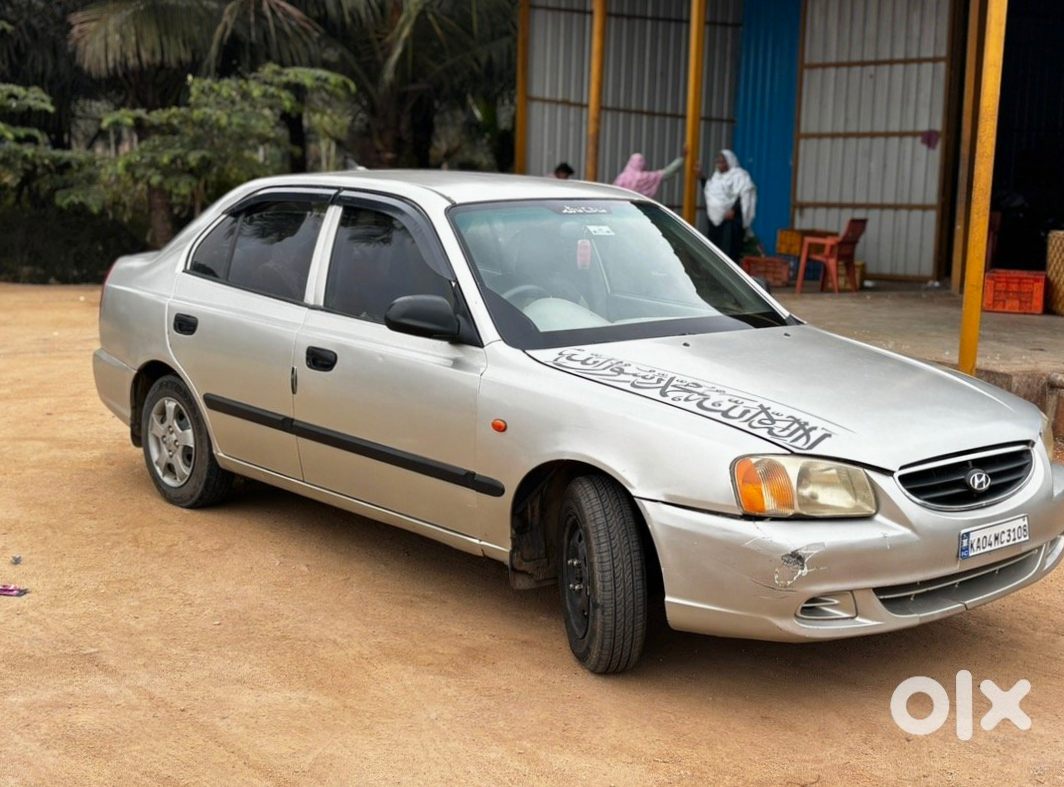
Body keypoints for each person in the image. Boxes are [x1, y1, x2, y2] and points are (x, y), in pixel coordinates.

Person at [703, 149, 756, 262]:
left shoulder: (739, 175)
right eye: (718, 162)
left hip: (732, 221)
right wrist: (701, 178)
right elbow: (710, 192)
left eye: (722, 162)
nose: (719, 164)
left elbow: (744, 194)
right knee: (715, 250)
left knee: (729, 252)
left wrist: (733, 210)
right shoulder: (716, 177)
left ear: (729, 161)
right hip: (716, 222)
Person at [612, 148, 685, 198]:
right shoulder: (646, 177)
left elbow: (613, 193)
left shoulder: (622, 178)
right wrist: (682, 157)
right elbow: (667, 172)